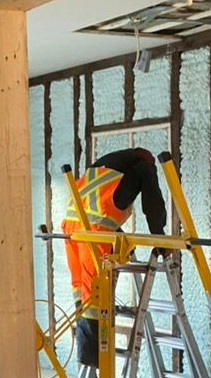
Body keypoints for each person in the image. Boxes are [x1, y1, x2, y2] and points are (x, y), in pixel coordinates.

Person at [61, 147, 167, 366]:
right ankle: (95, 360)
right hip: (94, 231)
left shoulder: (103, 167)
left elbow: (101, 204)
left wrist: (120, 237)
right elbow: (153, 201)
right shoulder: (142, 166)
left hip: (71, 227)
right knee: (95, 293)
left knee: (81, 289)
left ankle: (86, 358)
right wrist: (159, 236)